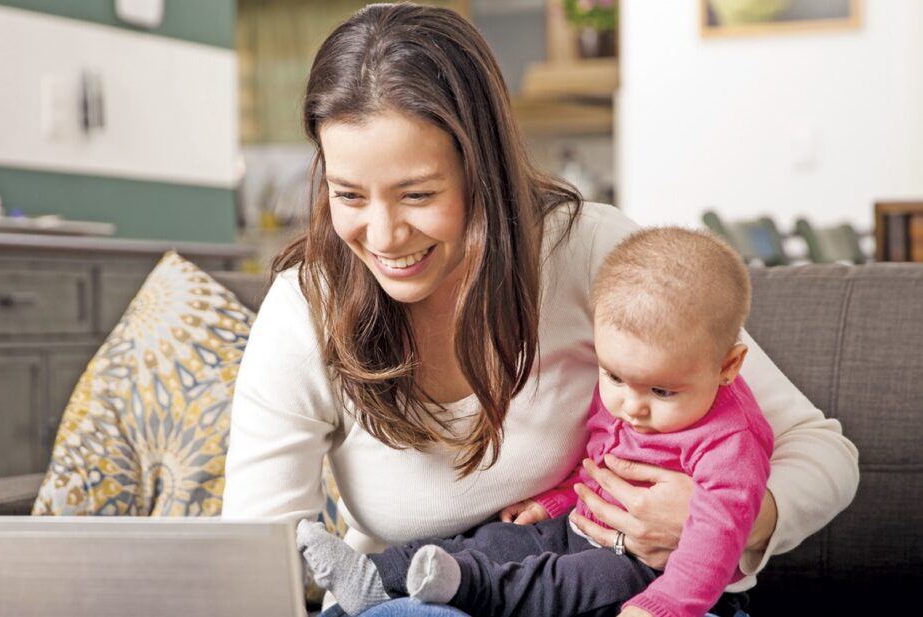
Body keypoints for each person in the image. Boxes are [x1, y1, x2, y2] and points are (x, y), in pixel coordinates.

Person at [222, 4, 859, 616]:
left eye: (418, 194)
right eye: (349, 195)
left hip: (601, 581)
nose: (384, 235)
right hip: (412, 598)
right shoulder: (307, 309)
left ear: (483, 171)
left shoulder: (590, 252)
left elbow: (820, 450)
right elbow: (257, 560)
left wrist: (727, 518)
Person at [295, 227, 773, 617]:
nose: (632, 406)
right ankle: (376, 577)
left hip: (658, 574)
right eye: (615, 377)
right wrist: (557, 498)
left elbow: (717, 540)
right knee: (494, 539)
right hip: (579, 525)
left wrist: (664, 607)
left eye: (662, 391)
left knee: (576, 581)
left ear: (728, 366)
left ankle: (463, 588)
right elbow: (601, 464)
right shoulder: (631, 387)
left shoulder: (730, 440)